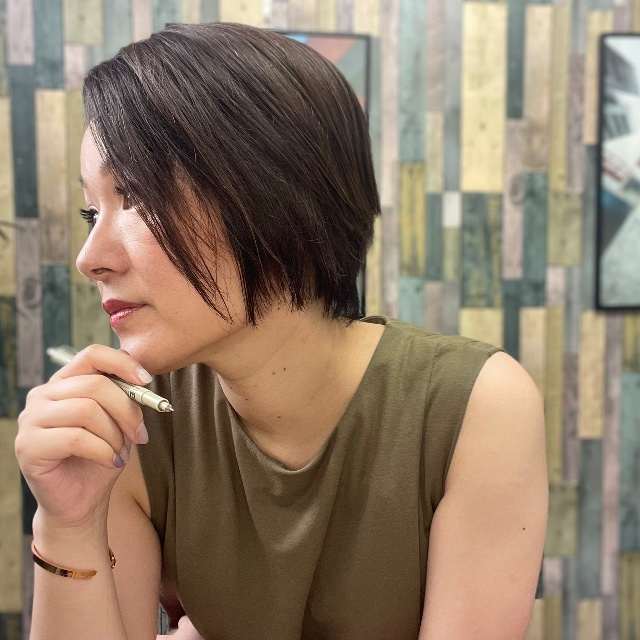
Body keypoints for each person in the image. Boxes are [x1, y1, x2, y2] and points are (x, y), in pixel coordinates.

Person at [15, 22, 548, 640]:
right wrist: (68, 525)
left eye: (134, 196)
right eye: (92, 210)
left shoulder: (474, 405)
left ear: (271, 193)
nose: (89, 259)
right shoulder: (132, 421)